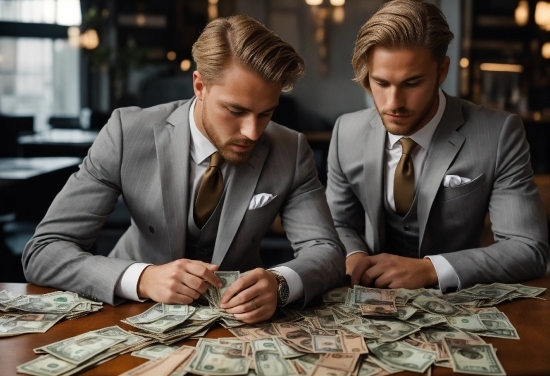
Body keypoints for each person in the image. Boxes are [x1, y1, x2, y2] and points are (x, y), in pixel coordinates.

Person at [23, 15, 345, 324]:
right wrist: (143, 278)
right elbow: (44, 251)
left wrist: (280, 283)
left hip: (239, 324)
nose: (252, 132)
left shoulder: (291, 149)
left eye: (266, 114)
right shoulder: (126, 134)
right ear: (200, 85)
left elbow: (326, 251)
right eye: (236, 110)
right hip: (130, 311)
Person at [326, 0, 549, 292]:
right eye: (381, 83)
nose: (393, 103)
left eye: (412, 83)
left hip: (457, 300)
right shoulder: (347, 132)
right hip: (370, 297)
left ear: (442, 71)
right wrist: (355, 256)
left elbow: (528, 249)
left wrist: (431, 269)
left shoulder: (498, 134)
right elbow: (337, 223)